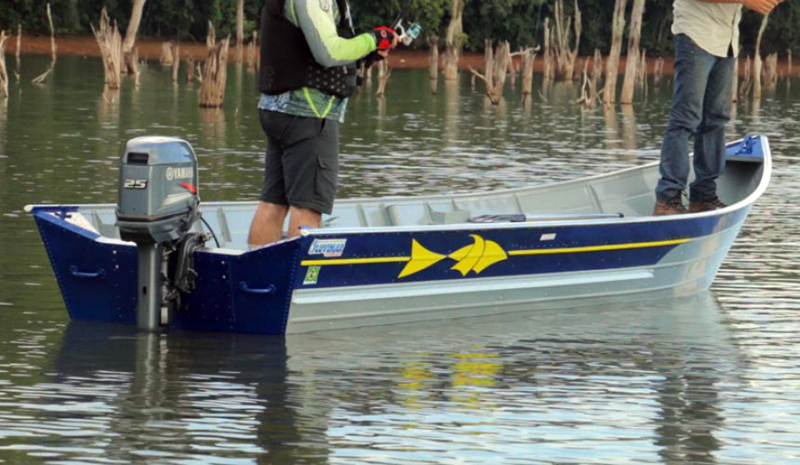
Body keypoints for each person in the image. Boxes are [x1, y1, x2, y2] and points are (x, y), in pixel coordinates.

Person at [248, 0, 397, 246]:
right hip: (308, 115)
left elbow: (310, 47)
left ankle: (252, 279)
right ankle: (296, 284)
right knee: (306, 208)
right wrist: (373, 38)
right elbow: (329, 53)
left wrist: (366, 51)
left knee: (274, 203)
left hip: (278, 111)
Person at [653, 0, 782, 216]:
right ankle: (668, 199)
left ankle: (704, 196)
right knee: (685, 120)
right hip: (696, 34)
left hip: (726, 40)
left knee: (715, 120)